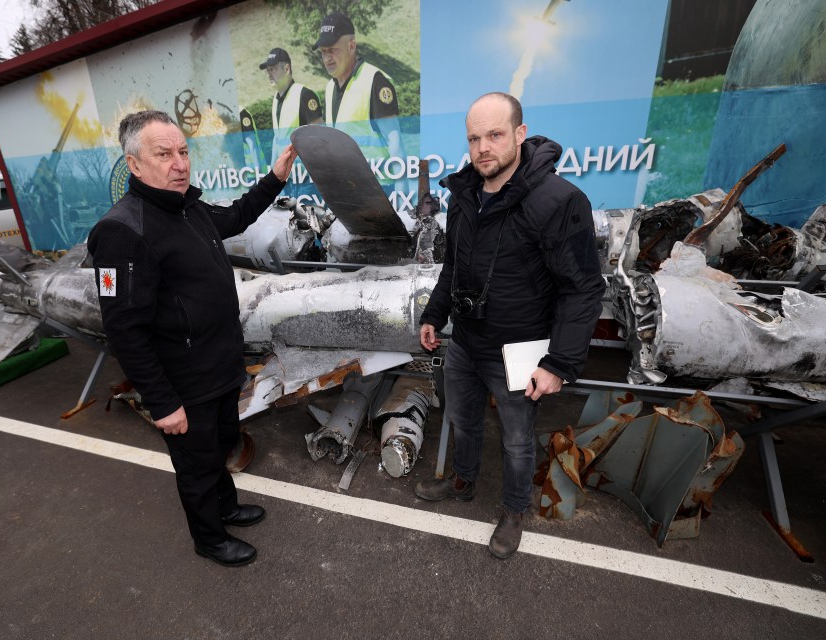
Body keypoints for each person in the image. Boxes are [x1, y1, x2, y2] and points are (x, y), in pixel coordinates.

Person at [87, 110, 297, 567]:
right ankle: (209, 538)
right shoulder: (122, 232)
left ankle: (226, 507)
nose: (179, 163)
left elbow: (238, 216)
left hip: (219, 370)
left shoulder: (187, 207)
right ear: (135, 165)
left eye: (183, 151)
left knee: (219, 446)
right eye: (164, 154)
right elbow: (123, 329)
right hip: (183, 383)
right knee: (196, 466)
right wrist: (161, 403)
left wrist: (276, 178)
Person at [415, 93, 605, 560]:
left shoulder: (559, 201)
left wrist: (559, 362)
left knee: (518, 441)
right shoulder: (464, 195)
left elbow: (583, 289)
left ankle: (515, 510)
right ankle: (463, 480)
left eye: (495, 135)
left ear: (520, 134)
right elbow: (453, 266)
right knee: (462, 420)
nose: (483, 148)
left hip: (520, 350)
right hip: (465, 341)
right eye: (474, 138)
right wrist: (435, 315)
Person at [314, 11, 407, 192]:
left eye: (332, 50)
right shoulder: (329, 88)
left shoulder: (375, 81)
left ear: (351, 46)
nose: (326, 58)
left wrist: (402, 200)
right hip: (346, 192)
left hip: (379, 191)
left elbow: (396, 145)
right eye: (323, 52)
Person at [259, 47, 323, 164]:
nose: (269, 74)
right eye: (267, 70)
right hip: (287, 176)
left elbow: (320, 137)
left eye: (273, 69)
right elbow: (277, 138)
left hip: (305, 177)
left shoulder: (304, 95)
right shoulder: (276, 99)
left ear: (287, 69)